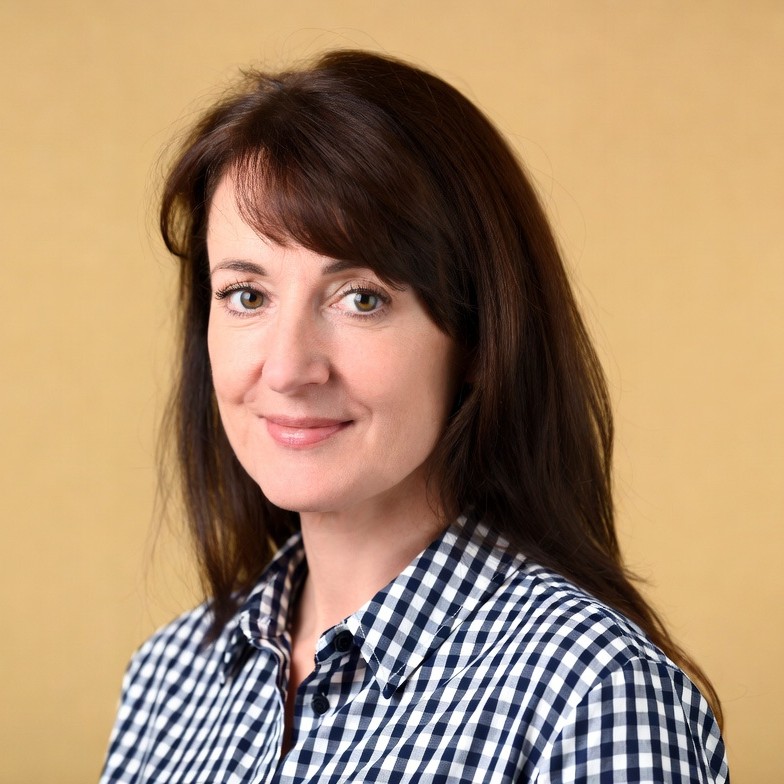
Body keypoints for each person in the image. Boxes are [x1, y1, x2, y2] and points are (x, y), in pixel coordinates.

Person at [100, 50, 729, 783]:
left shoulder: (594, 698)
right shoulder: (170, 680)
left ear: (479, 339)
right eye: (247, 295)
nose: (288, 368)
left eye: (361, 298)